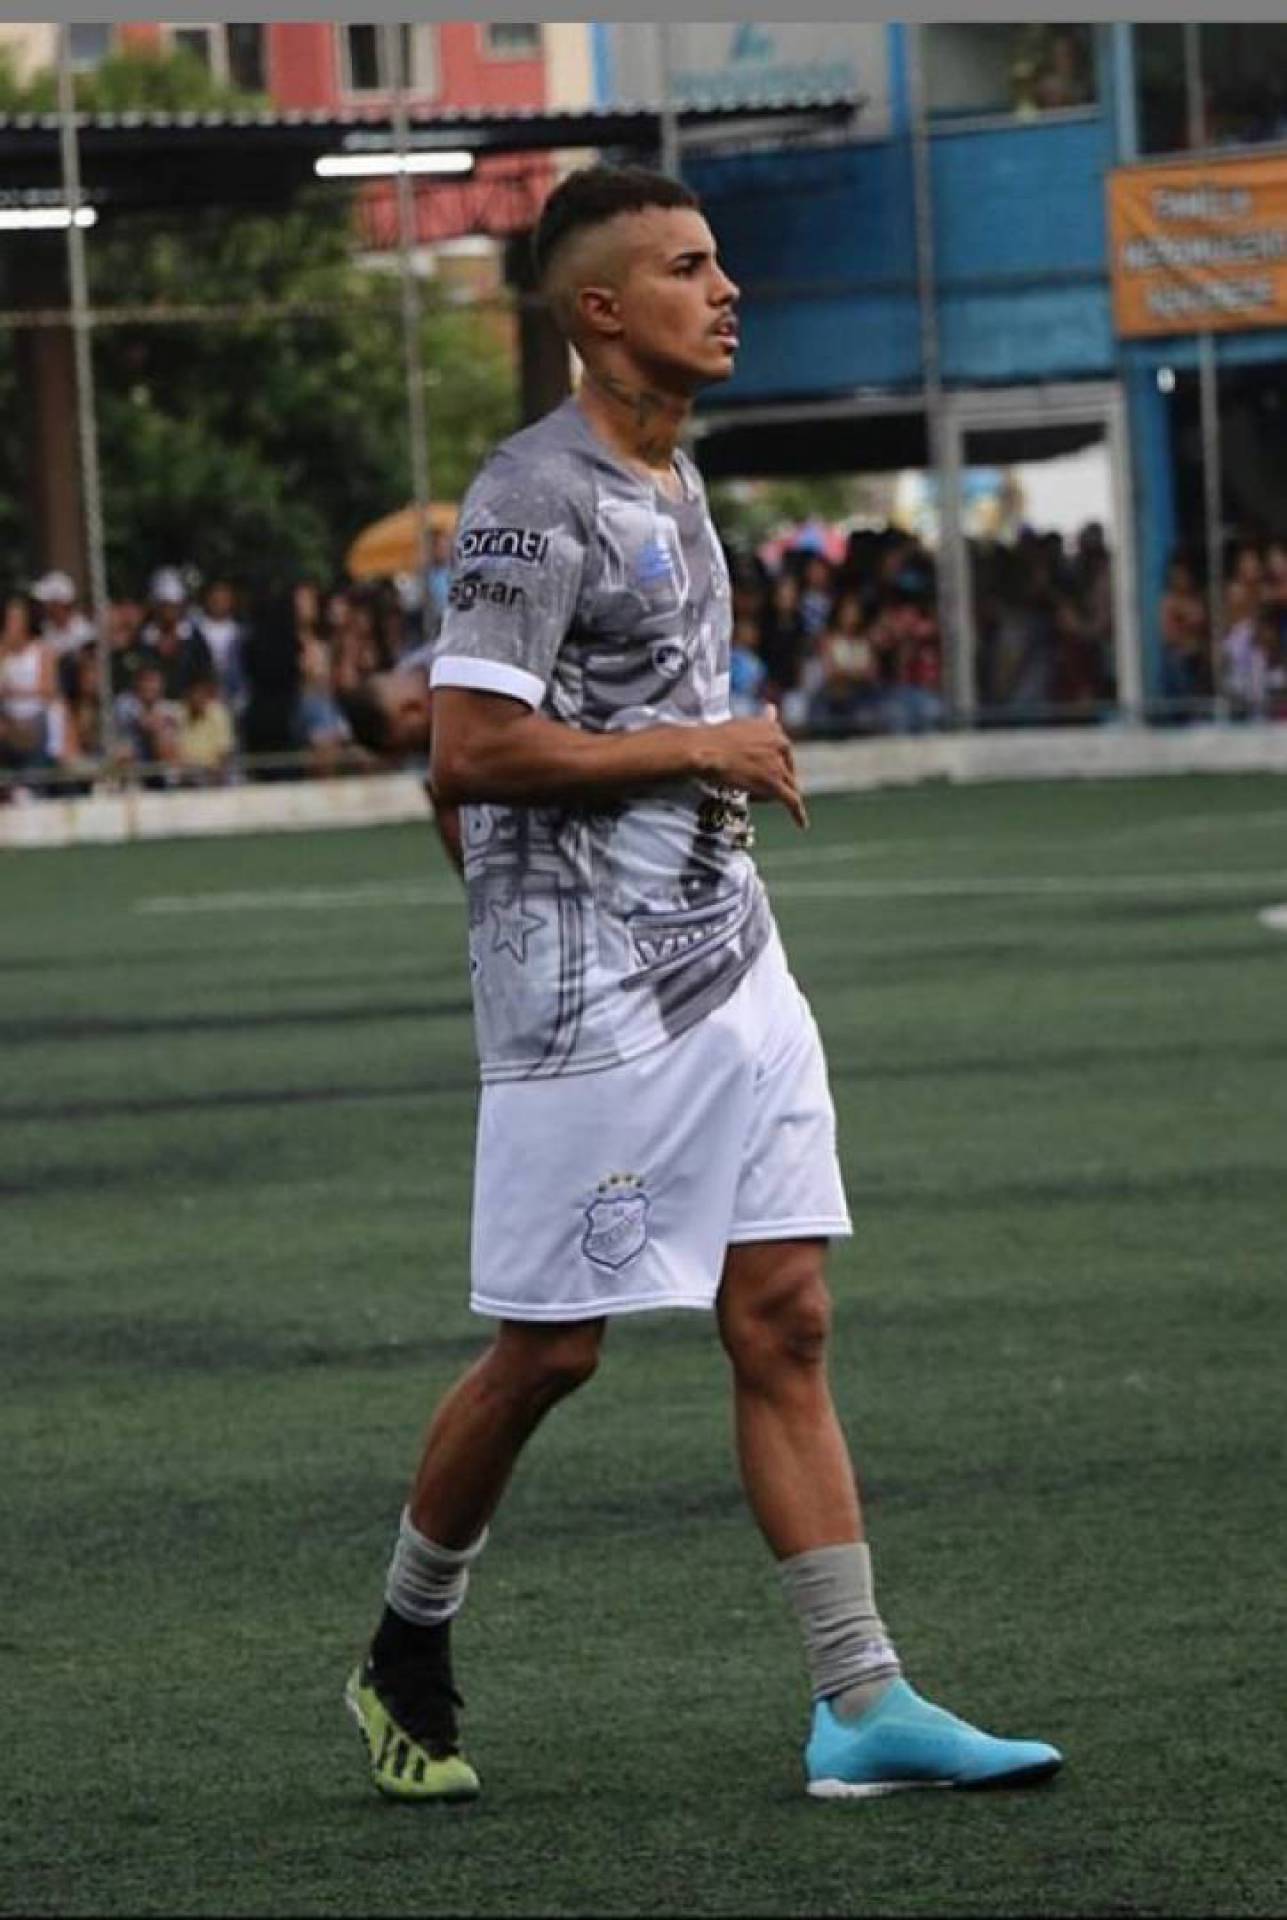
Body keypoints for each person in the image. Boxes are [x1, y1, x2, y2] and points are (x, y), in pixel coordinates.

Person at [344, 163, 1062, 1807]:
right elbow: (469, 747)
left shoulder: (673, 477)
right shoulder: (532, 493)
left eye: (719, 260)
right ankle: (405, 1638)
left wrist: (698, 784)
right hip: (590, 998)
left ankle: (860, 1698)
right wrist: (703, 751)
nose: (726, 288)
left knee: (785, 1315)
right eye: (687, 266)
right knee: (552, 1354)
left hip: (734, 958)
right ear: (602, 311)